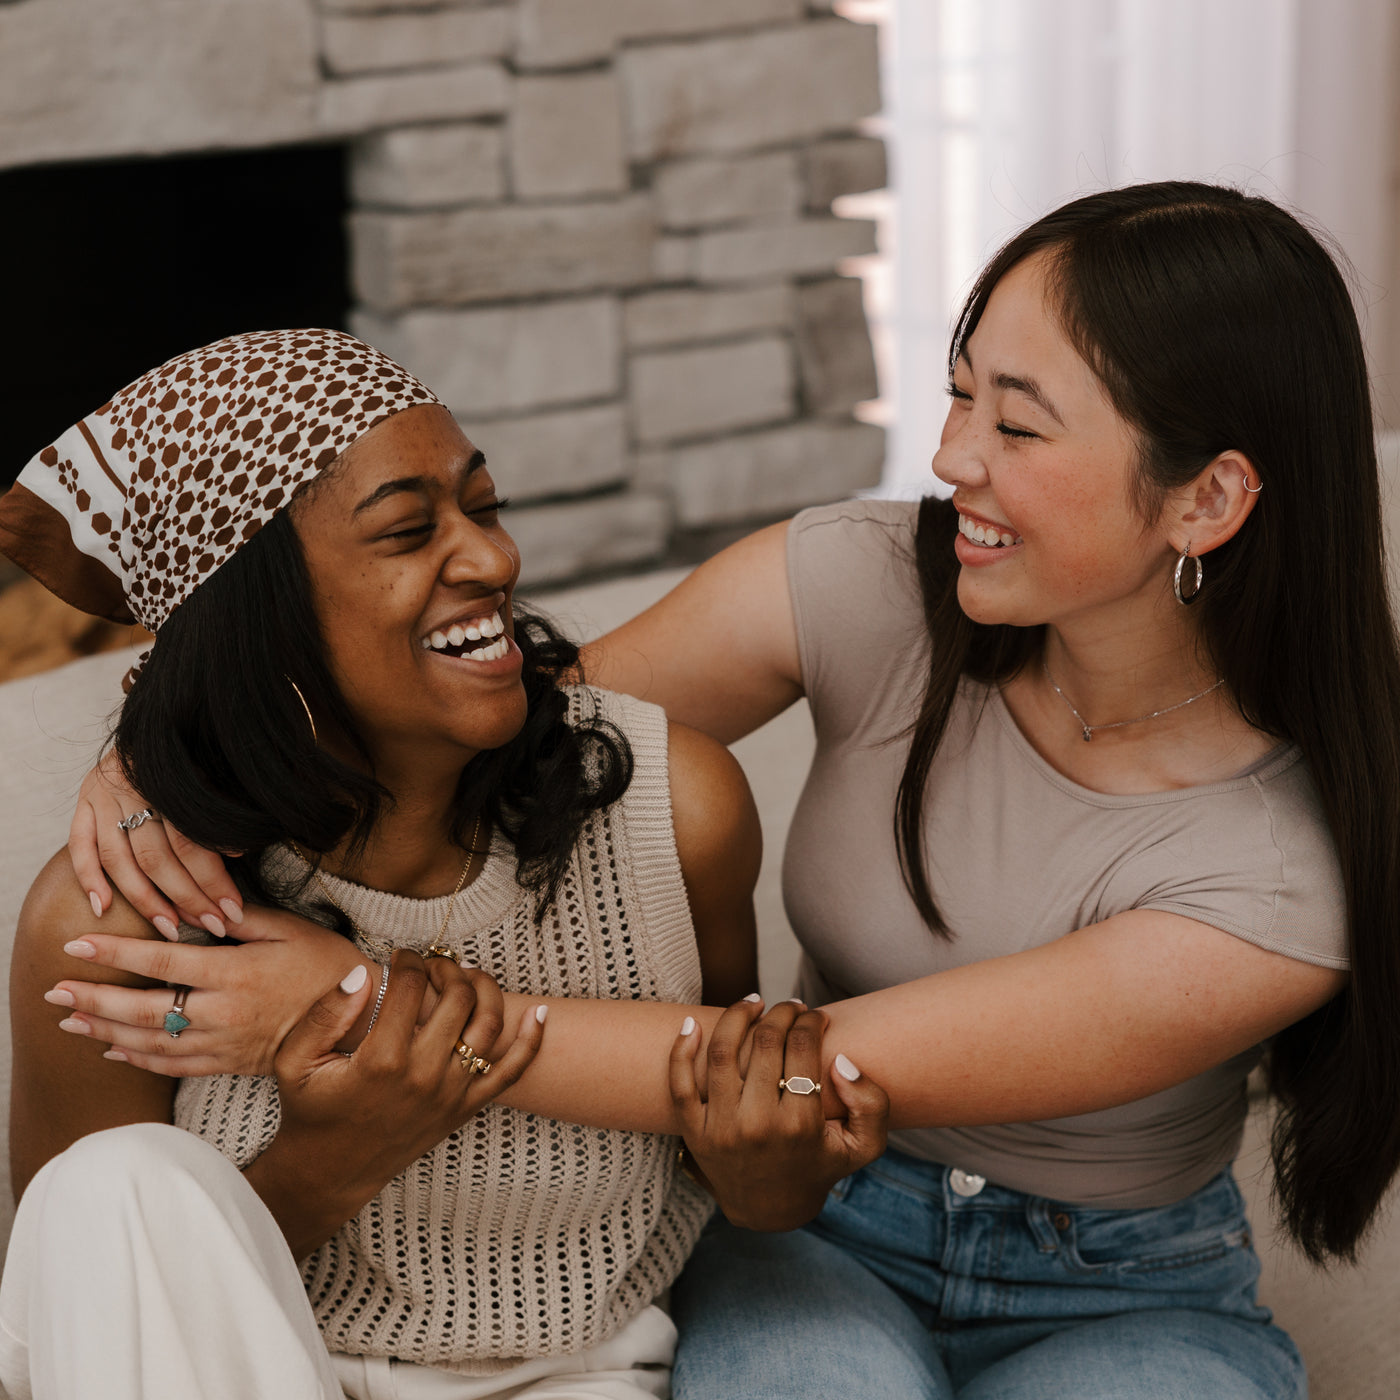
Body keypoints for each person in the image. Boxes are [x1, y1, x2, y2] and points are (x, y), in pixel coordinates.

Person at [53, 182, 1400, 1398]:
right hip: (822, 1223)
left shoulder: (1283, 866)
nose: (950, 457)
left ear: (1207, 499)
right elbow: (482, 723)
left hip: (1119, 1286)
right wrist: (161, 747)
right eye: (961, 390)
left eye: (1019, 422)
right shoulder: (870, 583)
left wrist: (356, 1003)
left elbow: (824, 1067)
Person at [0, 327, 872, 1400]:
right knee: (110, 1188)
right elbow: (83, 1318)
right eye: (410, 529)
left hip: (574, 1376)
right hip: (263, 1372)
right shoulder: (121, 921)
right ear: (260, 622)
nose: (493, 559)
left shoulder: (670, 809)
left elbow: (732, 1162)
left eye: (484, 505)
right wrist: (337, 1149)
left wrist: (768, 1170)